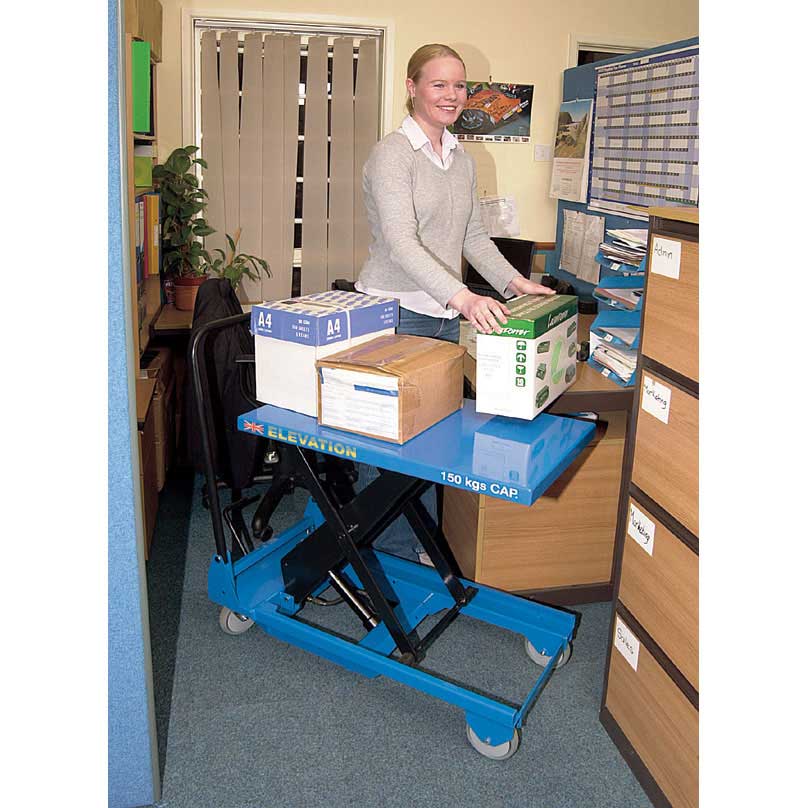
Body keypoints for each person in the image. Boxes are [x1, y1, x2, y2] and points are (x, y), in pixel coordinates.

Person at [354, 43, 556, 563]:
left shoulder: (461, 159)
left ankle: (418, 542)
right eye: (438, 83)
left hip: (443, 313)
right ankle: (388, 550)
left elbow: (473, 238)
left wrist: (514, 283)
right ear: (412, 87)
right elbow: (401, 243)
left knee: (434, 438)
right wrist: (465, 298)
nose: (451, 95)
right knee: (394, 442)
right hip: (396, 312)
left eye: (459, 85)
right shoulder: (392, 155)